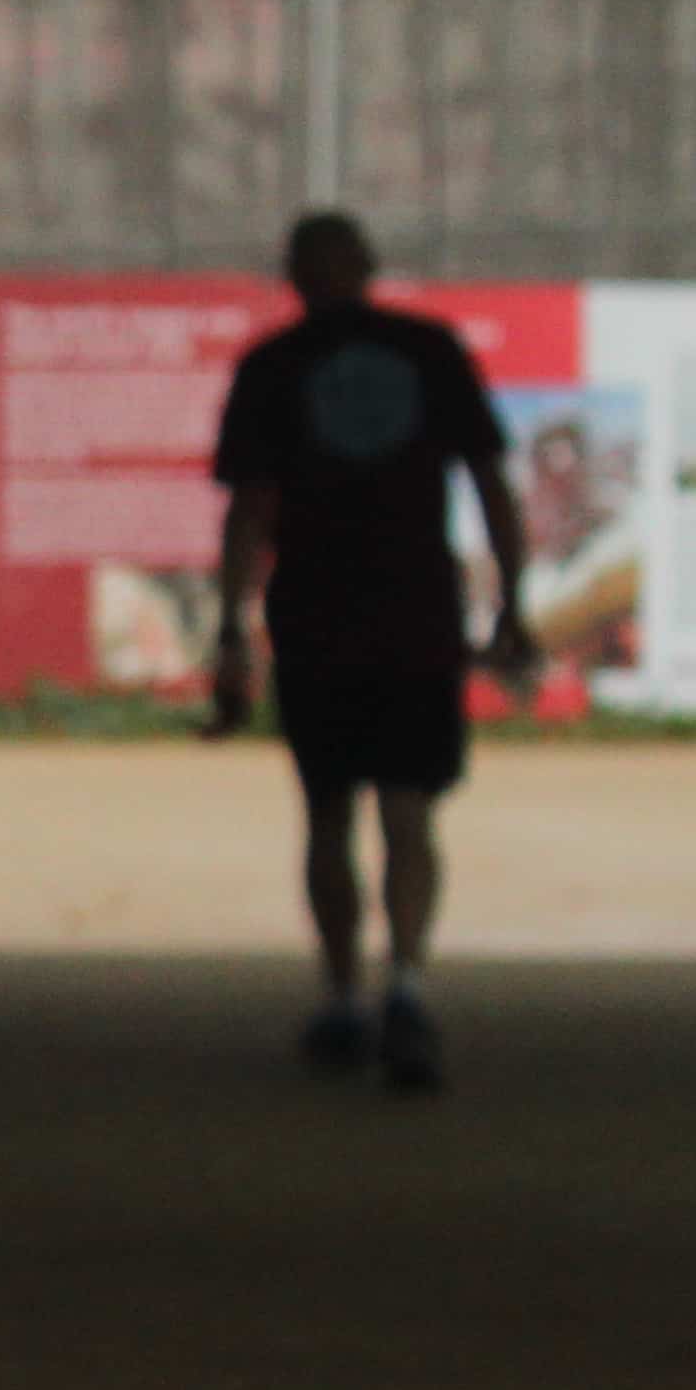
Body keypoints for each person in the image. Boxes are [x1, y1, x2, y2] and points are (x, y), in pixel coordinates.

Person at [206, 209, 538, 1092]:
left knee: (327, 814)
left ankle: (345, 999)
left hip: (319, 617)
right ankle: (405, 988)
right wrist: (512, 603)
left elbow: (249, 511)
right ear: (370, 266)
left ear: (292, 276)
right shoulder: (429, 350)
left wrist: (234, 631)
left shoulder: (274, 367)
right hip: (413, 614)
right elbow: (491, 482)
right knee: (406, 810)